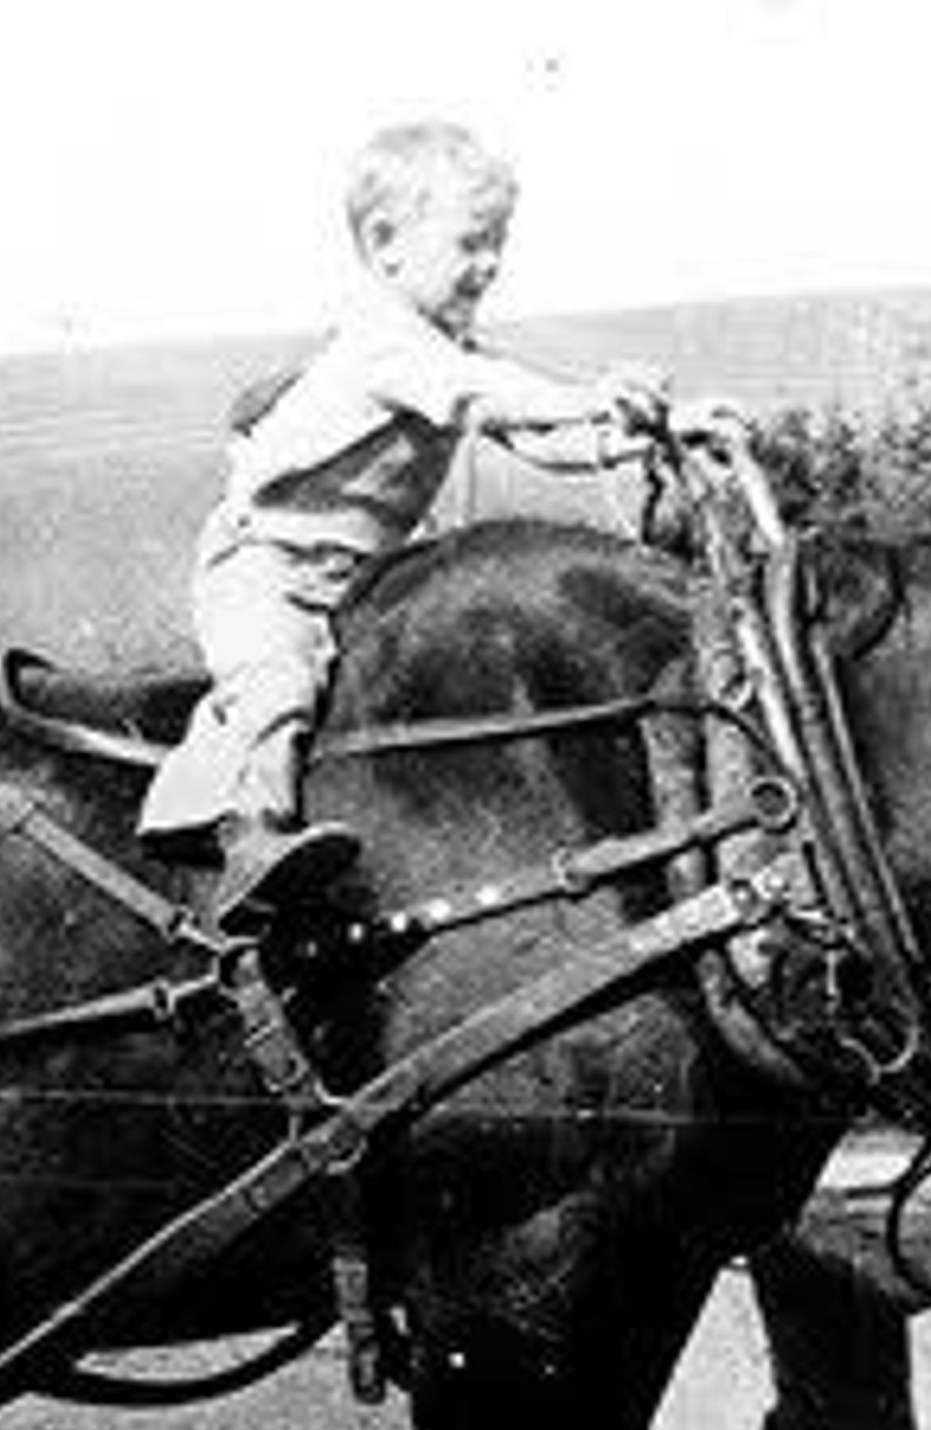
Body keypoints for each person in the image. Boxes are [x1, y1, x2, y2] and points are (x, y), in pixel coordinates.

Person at [138, 120, 667, 926]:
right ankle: (251, 840)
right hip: (270, 570)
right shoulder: (383, 346)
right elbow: (483, 395)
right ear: (386, 245)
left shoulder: (438, 348)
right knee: (278, 682)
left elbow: (536, 439)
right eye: (470, 243)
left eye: (498, 244)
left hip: (354, 581)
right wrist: (598, 394)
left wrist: (647, 430)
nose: (489, 264)